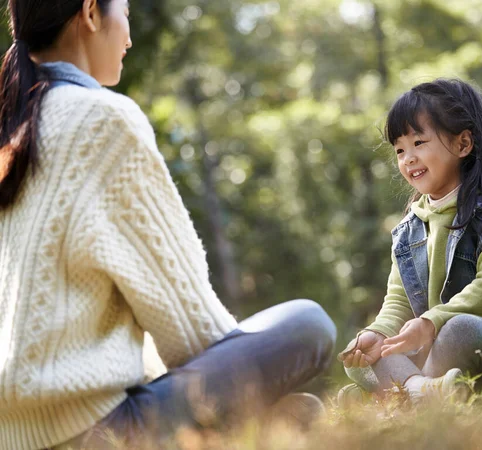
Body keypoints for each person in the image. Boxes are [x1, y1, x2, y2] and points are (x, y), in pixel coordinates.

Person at [0, 1, 336, 449]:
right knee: (308, 325)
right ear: (91, 14)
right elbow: (190, 327)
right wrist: (249, 385)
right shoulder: (102, 120)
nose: (130, 38)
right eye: (126, 14)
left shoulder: (12, 125)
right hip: (95, 432)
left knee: (296, 413)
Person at [337, 79, 482, 405]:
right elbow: (397, 300)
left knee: (458, 330)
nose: (408, 158)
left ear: (463, 143)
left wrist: (431, 322)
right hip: (435, 349)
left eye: (419, 142)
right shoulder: (410, 228)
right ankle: (423, 391)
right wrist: (378, 333)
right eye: (400, 149)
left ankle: (401, 391)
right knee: (365, 353)